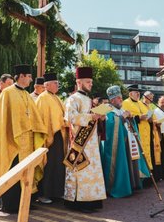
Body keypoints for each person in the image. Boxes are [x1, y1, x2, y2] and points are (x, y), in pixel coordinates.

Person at [0, 64, 47, 213]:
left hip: (27, 142)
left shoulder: (27, 95)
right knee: (11, 171)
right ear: (21, 76)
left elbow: (34, 117)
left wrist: (39, 130)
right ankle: (9, 204)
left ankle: (24, 201)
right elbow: (2, 121)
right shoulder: (7, 93)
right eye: (29, 77)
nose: (30, 80)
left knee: (26, 173)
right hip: (12, 141)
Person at [64, 67, 106, 213]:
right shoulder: (72, 99)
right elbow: (70, 118)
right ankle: (78, 203)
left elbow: (92, 118)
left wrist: (100, 116)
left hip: (92, 142)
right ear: (79, 82)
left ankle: (91, 201)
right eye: (88, 82)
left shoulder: (89, 99)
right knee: (80, 171)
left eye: (91, 82)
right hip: (79, 142)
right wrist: (90, 117)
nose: (91, 84)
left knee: (91, 171)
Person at [101, 86, 150, 198]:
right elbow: (109, 126)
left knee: (129, 162)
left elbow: (127, 123)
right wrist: (123, 117)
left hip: (127, 142)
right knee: (120, 164)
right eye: (118, 98)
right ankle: (117, 187)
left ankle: (132, 185)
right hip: (116, 146)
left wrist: (130, 118)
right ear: (112, 100)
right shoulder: (107, 109)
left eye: (121, 97)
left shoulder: (121, 110)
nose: (121, 100)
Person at [35, 73, 67, 204]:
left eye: (57, 83)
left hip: (59, 135)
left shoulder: (56, 98)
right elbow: (42, 119)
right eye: (55, 83)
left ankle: (56, 192)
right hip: (48, 137)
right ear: (46, 85)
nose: (57, 85)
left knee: (59, 165)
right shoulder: (43, 98)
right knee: (48, 165)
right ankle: (44, 194)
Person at [122, 88, 162, 182]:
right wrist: (139, 118)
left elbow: (148, 114)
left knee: (147, 153)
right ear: (130, 93)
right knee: (140, 153)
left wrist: (149, 118)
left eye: (139, 92)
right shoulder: (125, 103)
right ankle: (140, 178)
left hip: (146, 132)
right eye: (136, 92)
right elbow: (126, 118)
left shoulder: (140, 103)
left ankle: (148, 176)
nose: (138, 94)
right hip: (136, 132)